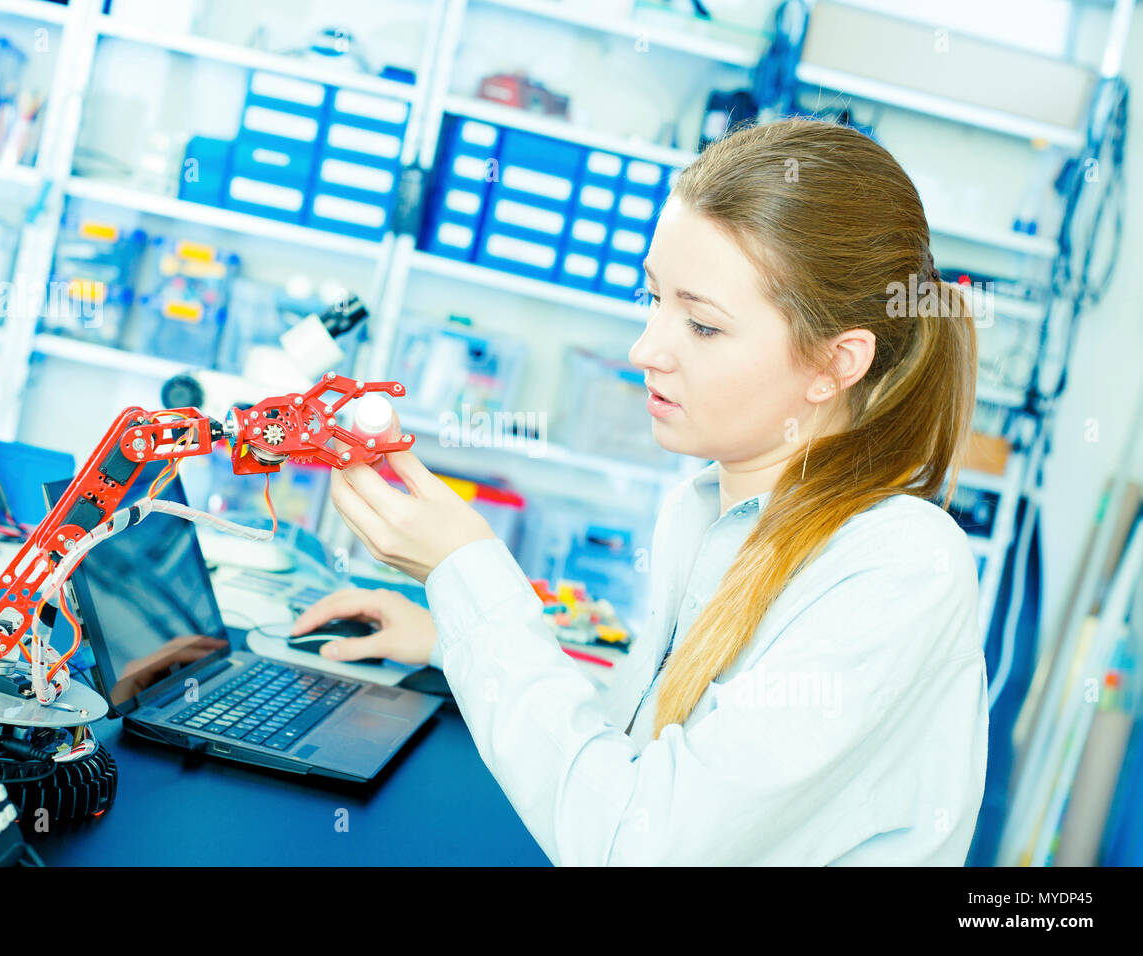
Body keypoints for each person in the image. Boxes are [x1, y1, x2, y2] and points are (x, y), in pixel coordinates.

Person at [290, 116, 989, 865]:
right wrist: (453, 636)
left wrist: (468, 573)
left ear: (836, 362)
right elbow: (647, 735)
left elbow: (637, 845)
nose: (645, 349)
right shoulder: (706, 507)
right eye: (653, 298)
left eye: (704, 326)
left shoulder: (901, 568)